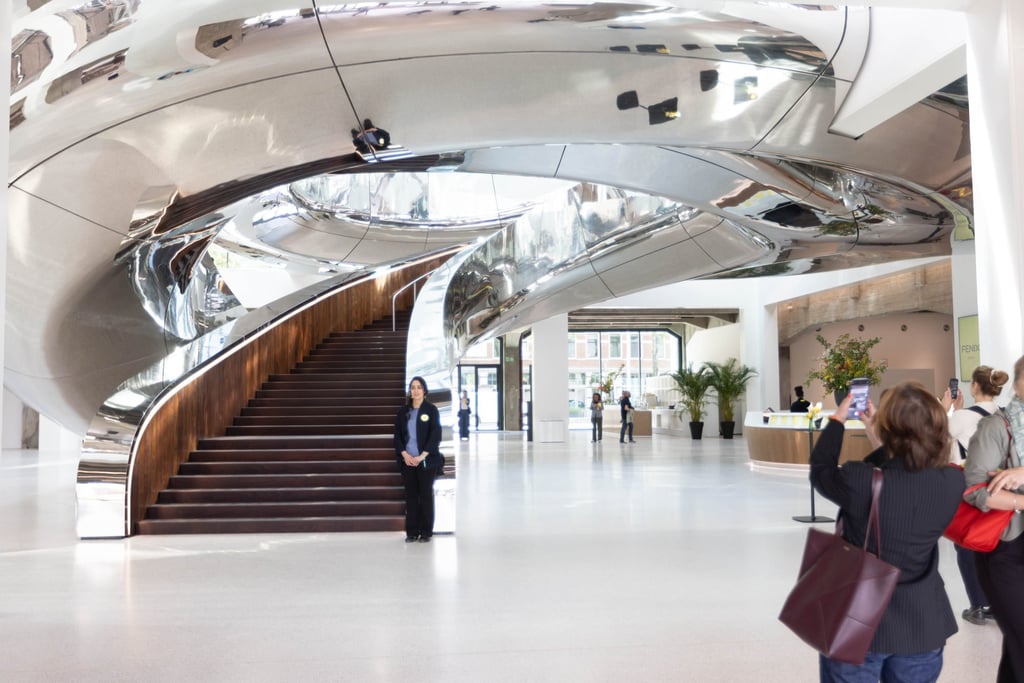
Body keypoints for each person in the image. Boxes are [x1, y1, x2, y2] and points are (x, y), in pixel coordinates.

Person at [810, 381, 965, 682]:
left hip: (857, 622)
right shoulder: (951, 482)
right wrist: (879, 438)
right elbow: (907, 472)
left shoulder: (858, 480)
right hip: (921, 624)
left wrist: (839, 418)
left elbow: (821, 470)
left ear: (889, 428)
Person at [964, 355, 1024, 682]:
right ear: (1016, 384)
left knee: (1017, 649)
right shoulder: (995, 427)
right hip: (1007, 551)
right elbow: (977, 491)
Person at [942, 365, 1008, 626]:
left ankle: (977, 605)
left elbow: (938, 439)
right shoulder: (1004, 416)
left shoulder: (962, 417)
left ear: (974, 387)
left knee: (967, 542)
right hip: (1000, 484)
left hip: (968, 485)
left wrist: (945, 407)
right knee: (996, 541)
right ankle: (996, 601)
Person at [393, 376, 443, 543]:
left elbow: (435, 435)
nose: (415, 390)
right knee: (411, 496)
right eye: (413, 387)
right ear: (410, 391)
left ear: (424, 391)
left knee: (425, 495)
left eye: (419, 387)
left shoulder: (431, 410)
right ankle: (412, 532)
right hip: (407, 462)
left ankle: (426, 531)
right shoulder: (403, 412)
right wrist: (405, 455)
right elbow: (397, 437)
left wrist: (422, 456)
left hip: (425, 461)